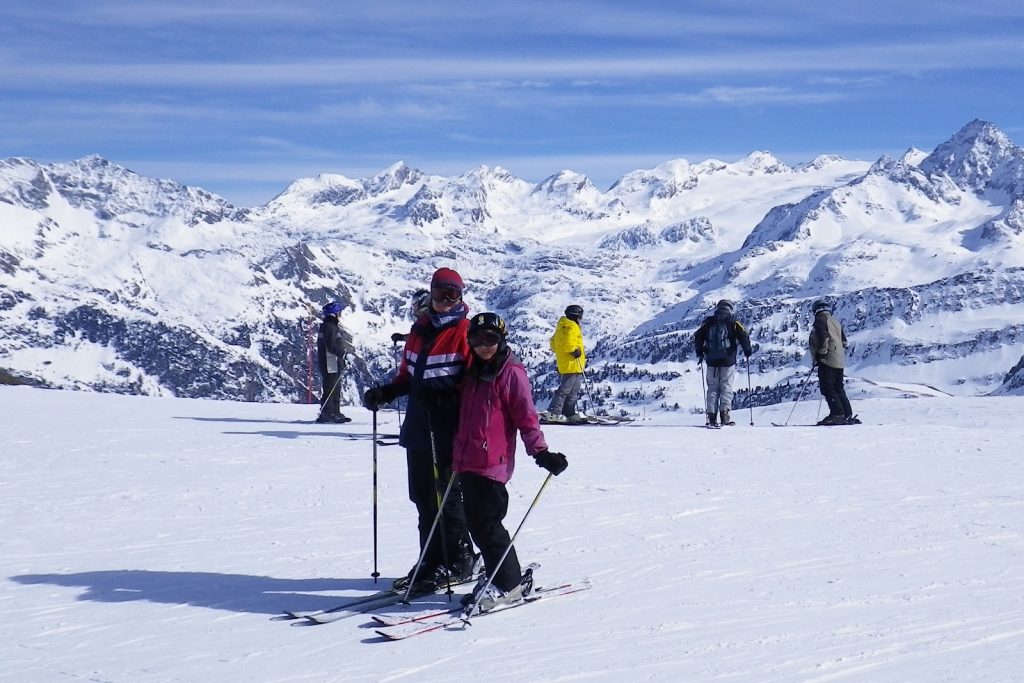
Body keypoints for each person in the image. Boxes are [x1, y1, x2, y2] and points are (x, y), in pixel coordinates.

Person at [362, 268, 476, 592]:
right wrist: (386, 392)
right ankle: (430, 558)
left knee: (447, 497)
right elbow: (407, 377)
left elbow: (474, 384)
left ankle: (459, 558)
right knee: (423, 498)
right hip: (418, 427)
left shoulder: (465, 333)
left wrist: (445, 397)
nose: (444, 301)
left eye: (452, 295)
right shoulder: (419, 331)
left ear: (461, 296)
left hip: (448, 430)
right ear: (431, 294)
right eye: (440, 294)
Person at [453, 312, 568, 613]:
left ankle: (509, 584)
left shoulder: (510, 373)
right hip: (466, 460)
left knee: (488, 526)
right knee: (477, 526)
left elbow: (526, 417)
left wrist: (541, 453)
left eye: (490, 339)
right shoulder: (472, 371)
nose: (484, 346)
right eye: (477, 340)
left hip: (492, 464)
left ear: (501, 339)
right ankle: (497, 575)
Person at [693, 299, 752, 427]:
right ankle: (725, 417)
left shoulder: (709, 322)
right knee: (726, 388)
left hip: (711, 360)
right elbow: (744, 336)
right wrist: (747, 351)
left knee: (713, 388)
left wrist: (700, 351)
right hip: (728, 360)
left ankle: (712, 418)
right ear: (730, 309)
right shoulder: (733, 322)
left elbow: (698, 336)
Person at [808, 299, 859, 425]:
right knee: (838, 387)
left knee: (827, 387)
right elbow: (845, 342)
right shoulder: (835, 321)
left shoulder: (820, 320)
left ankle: (837, 414)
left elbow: (823, 337)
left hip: (828, 359)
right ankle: (847, 413)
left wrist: (821, 353)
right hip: (839, 359)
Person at [540, 304, 587, 423]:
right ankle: (554, 413)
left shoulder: (562, 326)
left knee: (574, 389)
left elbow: (553, 342)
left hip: (570, 363)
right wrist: (573, 351)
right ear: (576, 316)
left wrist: (562, 353)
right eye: (580, 316)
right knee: (565, 389)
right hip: (572, 362)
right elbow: (568, 342)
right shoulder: (571, 326)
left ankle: (569, 412)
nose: (581, 319)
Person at [316, 301, 351, 424]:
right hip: (330, 362)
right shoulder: (330, 327)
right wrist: (344, 354)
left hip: (331, 362)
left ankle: (335, 412)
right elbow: (331, 346)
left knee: (334, 386)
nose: (340, 315)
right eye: (339, 312)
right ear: (334, 314)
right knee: (330, 387)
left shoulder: (329, 326)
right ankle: (328, 413)